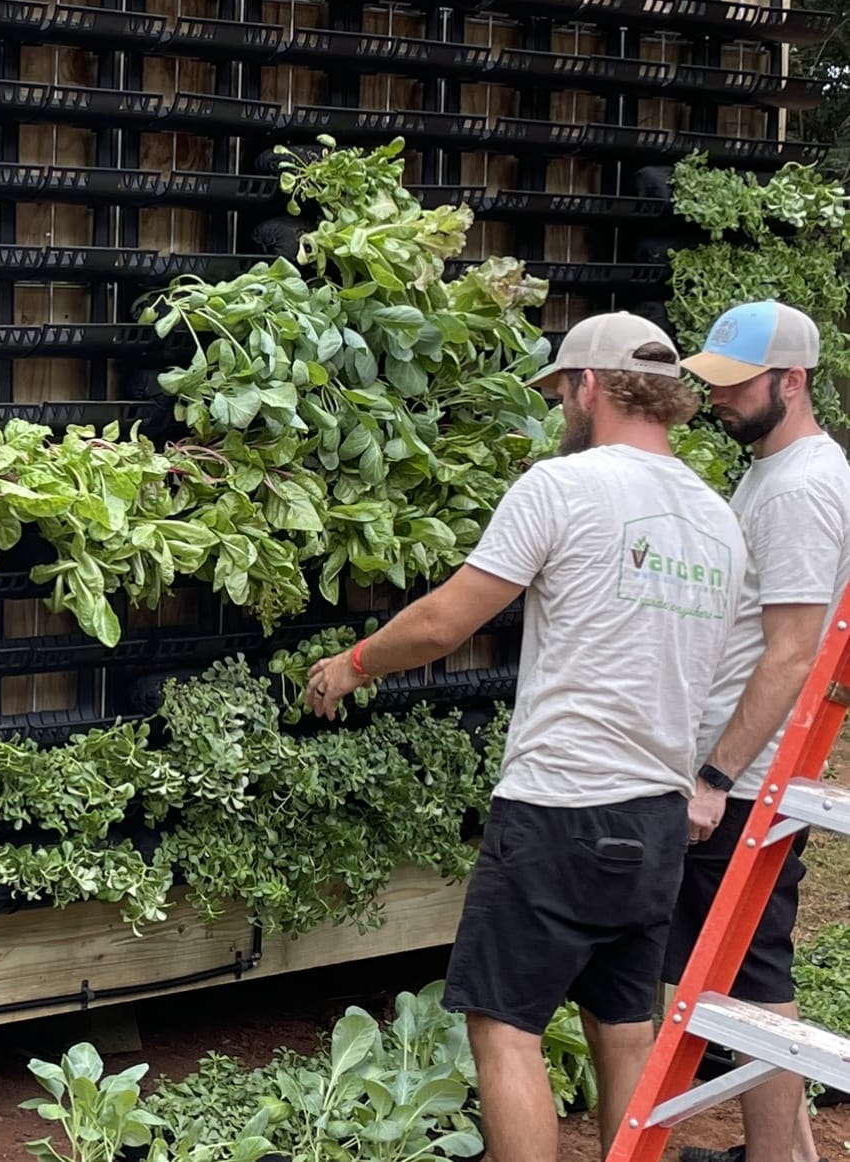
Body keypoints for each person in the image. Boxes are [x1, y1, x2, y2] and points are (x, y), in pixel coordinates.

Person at [305, 311, 747, 1162]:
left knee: (504, 1029)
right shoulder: (715, 519)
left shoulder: (562, 486)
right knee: (624, 1031)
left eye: (560, 395)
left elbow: (443, 621)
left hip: (559, 810)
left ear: (589, 386)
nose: (559, 413)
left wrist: (352, 663)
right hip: (656, 814)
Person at [663, 301, 849, 1162]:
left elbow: (789, 652)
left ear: (792, 381)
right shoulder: (777, 471)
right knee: (742, 973)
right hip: (742, 771)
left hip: (745, 776)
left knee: (749, 978)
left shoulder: (804, 487)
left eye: (738, 387)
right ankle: (790, 1156)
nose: (721, 401)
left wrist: (715, 776)